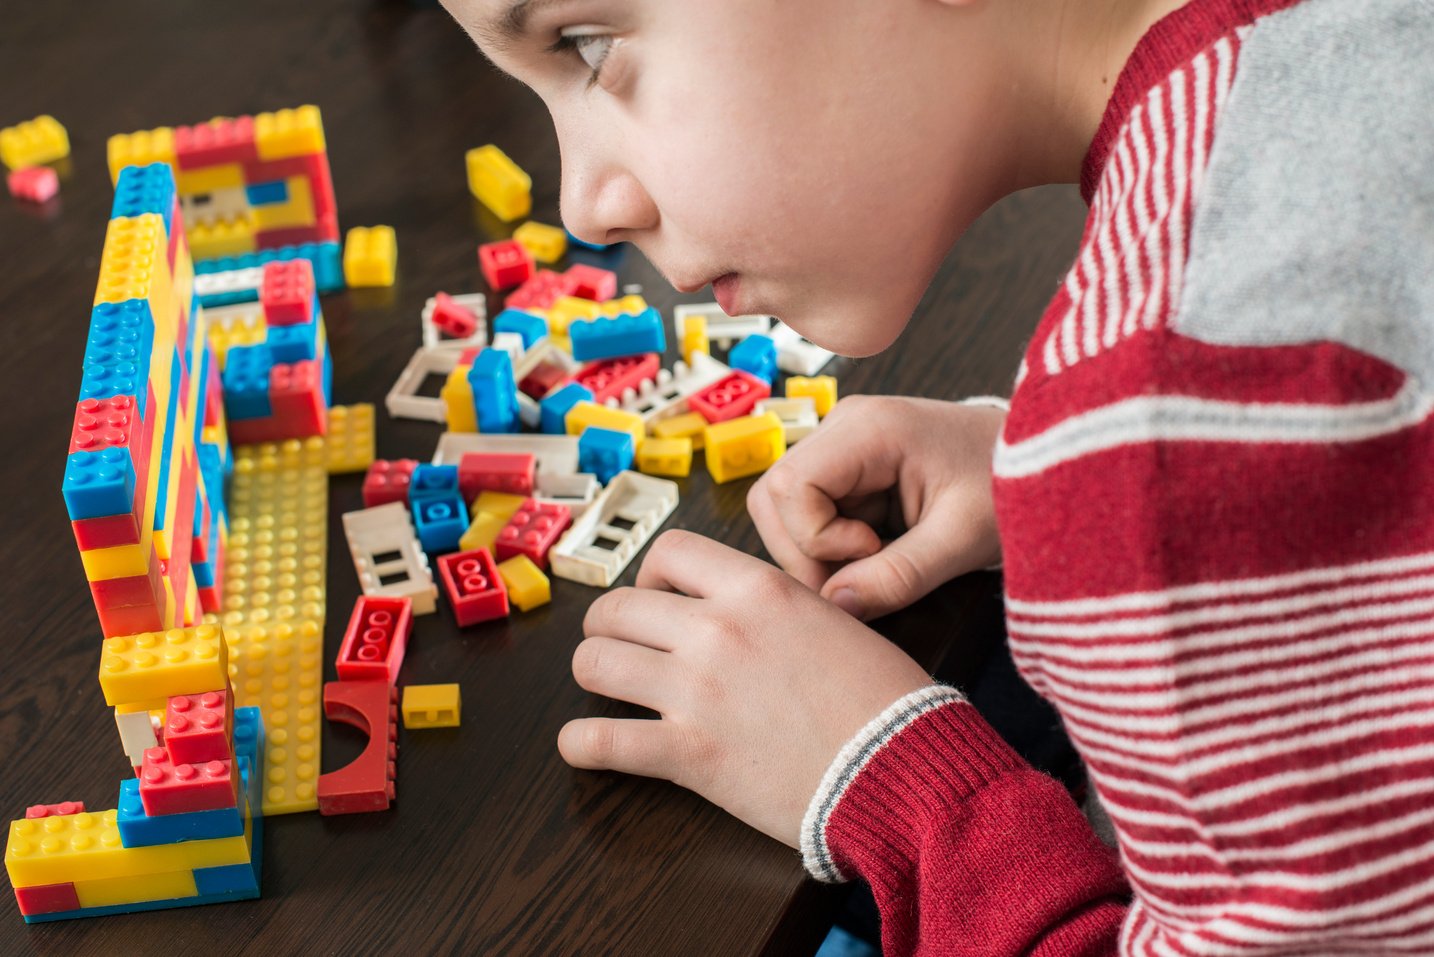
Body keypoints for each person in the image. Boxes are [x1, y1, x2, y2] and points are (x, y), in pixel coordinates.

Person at [441, 0, 1434, 952]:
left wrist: (903, 795)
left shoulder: (1164, 444)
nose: (584, 203)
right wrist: (1046, 472)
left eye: (587, 45)